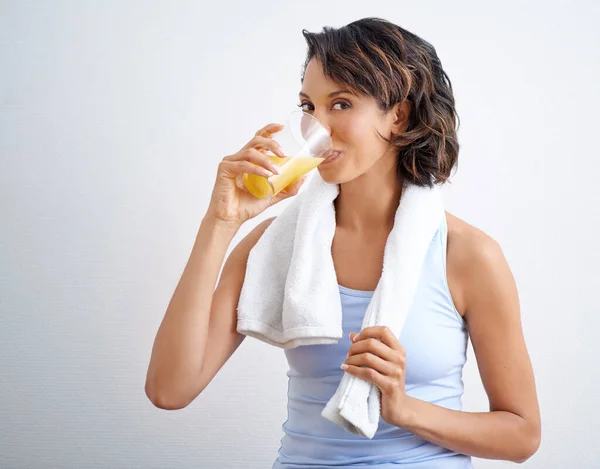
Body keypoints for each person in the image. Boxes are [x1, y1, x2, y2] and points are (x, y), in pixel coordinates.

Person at [145, 17, 541, 468]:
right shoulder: (276, 244)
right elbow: (168, 389)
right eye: (308, 106)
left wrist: (405, 409)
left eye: (341, 104)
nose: (316, 127)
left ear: (399, 115)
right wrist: (219, 223)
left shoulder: (467, 255)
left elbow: (521, 434)